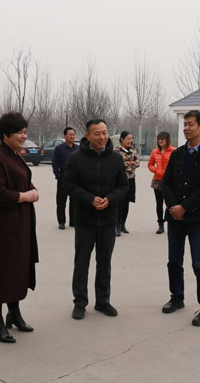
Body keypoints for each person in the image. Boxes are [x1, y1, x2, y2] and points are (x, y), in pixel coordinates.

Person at [0, 112, 40, 343]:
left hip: (20, 226)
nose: (24, 136)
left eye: (25, 132)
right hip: (3, 230)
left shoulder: (14, 154)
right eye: (19, 132)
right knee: (0, 274)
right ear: (5, 135)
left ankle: (13, 314)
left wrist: (32, 190)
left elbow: (22, 180)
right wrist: (25, 196)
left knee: (17, 271)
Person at [63, 119, 129, 320]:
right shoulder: (76, 158)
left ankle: (103, 301)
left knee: (104, 263)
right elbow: (69, 185)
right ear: (88, 136)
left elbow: (123, 186)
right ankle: (80, 302)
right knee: (81, 263)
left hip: (108, 220)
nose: (102, 137)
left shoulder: (116, 159)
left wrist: (110, 199)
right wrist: (90, 199)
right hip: (85, 220)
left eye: (105, 133)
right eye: (97, 134)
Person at [161, 110, 200, 327]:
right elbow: (165, 183)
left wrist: (184, 208)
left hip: (199, 219)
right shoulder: (177, 154)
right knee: (174, 261)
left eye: (190, 124)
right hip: (175, 218)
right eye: (184, 124)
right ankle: (177, 297)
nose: (186, 128)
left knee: (199, 264)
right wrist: (174, 207)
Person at [148, 131, 175, 234]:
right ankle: (160, 224)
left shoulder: (174, 151)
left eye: (162, 139)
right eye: (159, 139)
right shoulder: (154, 152)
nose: (160, 141)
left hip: (170, 181)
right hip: (157, 181)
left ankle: (171, 223)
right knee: (159, 203)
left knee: (170, 203)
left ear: (167, 140)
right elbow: (150, 164)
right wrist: (156, 170)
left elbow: (176, 165)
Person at [52, 127, 79, 230]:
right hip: (63, 177)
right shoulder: (59, 149)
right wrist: (58, 175)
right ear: (65, 136)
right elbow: (55, 163)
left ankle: (73, 221)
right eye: (70, 134)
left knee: (74, 201)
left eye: (73, 134)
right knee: (61, 201)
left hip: (75, 178)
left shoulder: (78, 148)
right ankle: (61, 222)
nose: (72, 136)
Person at [114, 131, 140, 236]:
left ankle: (123, 224)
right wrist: (129, 164)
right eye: (128, 139)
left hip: (130, 179)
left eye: (131, 138)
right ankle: (117, 225)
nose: (130, 141)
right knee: (119, 202)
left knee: (127, 202)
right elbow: (117, 164)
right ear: (122, 139)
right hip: (119, 180)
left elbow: (137, 163)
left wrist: (126, 163)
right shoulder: (116, 151)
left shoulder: (133, 151)